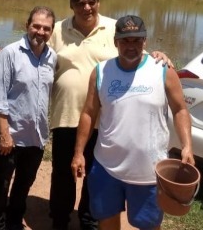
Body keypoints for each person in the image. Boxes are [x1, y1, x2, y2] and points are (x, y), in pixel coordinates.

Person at [48, 0, 171, 230]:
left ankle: (89, 220)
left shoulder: (114, 28)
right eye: (80, 2)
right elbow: (39, 54)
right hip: (65, 115)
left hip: (104, 120)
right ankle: (60, 220)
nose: (86, 7)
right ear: (71, 4)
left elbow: (136, 51)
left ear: (99, 3)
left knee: (96, 174)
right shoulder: (57, 30)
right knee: (63, 173)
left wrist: (160, 55)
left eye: (91, 2)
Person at [71, 15, 194, 230]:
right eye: (125, 40)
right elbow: (89, 113)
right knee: (106, 220)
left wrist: (187, 146)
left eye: (137, 40)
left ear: (145, 41)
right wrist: (79, 152)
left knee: (149, 225)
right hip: (106, 167)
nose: (131, 46)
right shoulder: (101, 72)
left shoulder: (163, 71)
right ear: (115, 42)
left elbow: (180, 110)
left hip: (149, 171)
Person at [0, 7, 58, 230]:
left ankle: (14, 221)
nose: (40, 32)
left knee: (24, 183)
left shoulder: (52, 57)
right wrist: (4, 134)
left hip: (36, 135)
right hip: (12, 134)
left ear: (51, 31)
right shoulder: (10, 53)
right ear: (27, 25)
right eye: (36, 26)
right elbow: (0, 97)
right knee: (2, 183)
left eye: (46, 28)